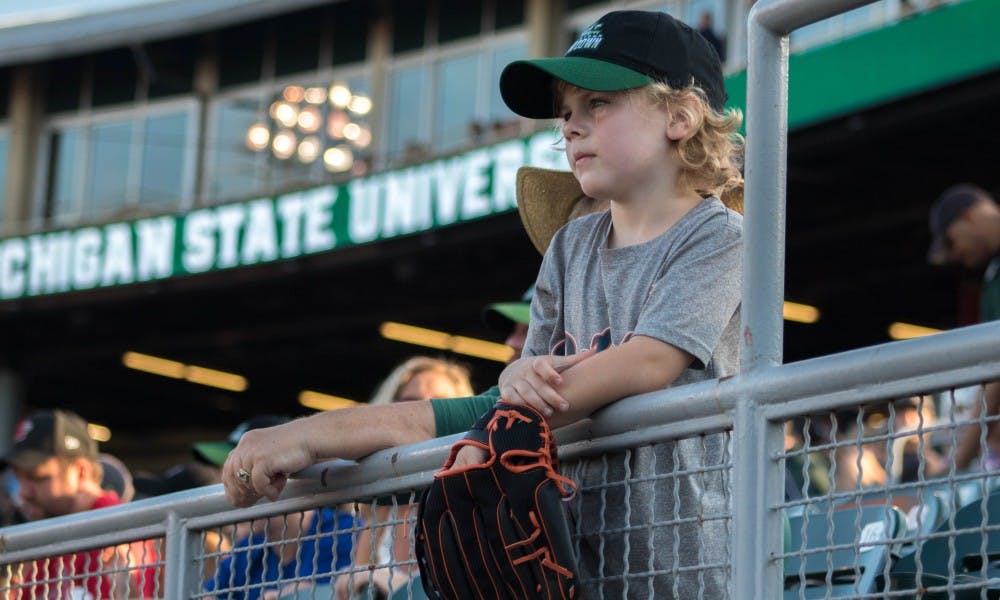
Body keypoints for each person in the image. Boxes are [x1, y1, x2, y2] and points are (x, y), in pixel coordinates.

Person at [226, 9, 743, 597]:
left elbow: (647, 363)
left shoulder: (719, 234)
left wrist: (502, 417)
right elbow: (517, 394)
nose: (570, 127)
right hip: (573, 566)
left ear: (680, 115)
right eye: (566, 113)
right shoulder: (571, 246)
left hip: (683, 569)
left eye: (597, 104)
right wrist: (518, 378)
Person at [335, 357, 473, 600]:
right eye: (410, 402)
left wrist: (396, 586)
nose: (421, 412)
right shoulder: (380, 508)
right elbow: (358, 580)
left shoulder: (468, 500)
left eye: (439, 403)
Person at [1, 408, 159, 598]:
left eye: (37, 478)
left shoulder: (121, 527)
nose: (23, 492)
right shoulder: (52, 531)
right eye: (19, 479)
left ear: (81, 471)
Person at [202, 415, 358, 600]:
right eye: (230, 477)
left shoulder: (342, 532)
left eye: (243, 474)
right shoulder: (248, 550)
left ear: (282, 472)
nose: (234, 490)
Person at [926, 184, 1000, 471]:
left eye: (952, 241)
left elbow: (995, 374)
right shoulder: (993, 277)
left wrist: (958, 460)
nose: (955, 254)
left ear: (969, 217)